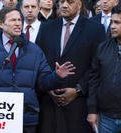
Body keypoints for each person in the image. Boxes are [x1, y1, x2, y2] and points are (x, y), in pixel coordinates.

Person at [0, 7, 75, 133]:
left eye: (19, 20)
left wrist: (57, 77)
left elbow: (43, 83)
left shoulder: (34, 50)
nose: (18, 23)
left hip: (25, 118)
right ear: (0, 24)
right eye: (13, 20)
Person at [36, 0, 106, 132]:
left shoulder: (95, 29)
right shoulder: (46, 27)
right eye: (62, 1)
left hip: (79, 106)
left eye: (70, 2)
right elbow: (39, 61)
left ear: (79, 4)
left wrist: (78, 90)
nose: (64, 5)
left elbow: (97, 66)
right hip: (49, 105)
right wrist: (48, 88)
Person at [87, 4, 121, 133]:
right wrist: (92, 110)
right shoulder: (102, 48)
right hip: (106, 117)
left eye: (117, 22)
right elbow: (94, 80)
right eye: (112, 21)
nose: (112, 26)